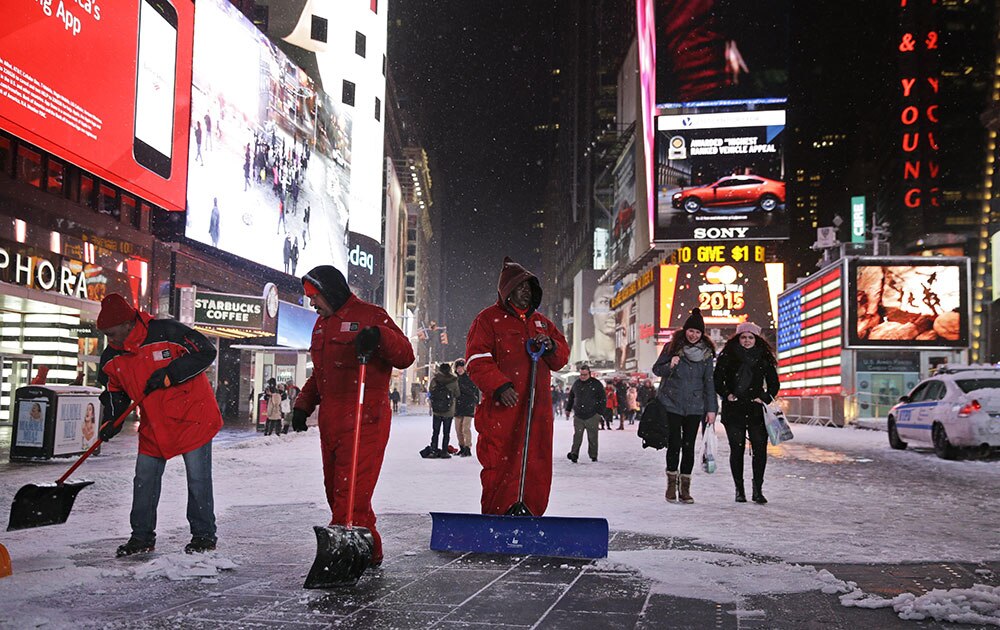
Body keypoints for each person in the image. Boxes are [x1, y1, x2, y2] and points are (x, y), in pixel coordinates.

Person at [290, 265, 414, 566]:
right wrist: (303, 405)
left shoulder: (371, 315)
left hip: (365, 418)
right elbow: (320, 376)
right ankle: (370, 550)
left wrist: (379, 337)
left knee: (351, 494)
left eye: (315, 296)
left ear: (330, 292)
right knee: (336, 492)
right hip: (331, 422)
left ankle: (345, 557)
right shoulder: (321, 325)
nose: (312, 303)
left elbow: (406, 355)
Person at [95, 293, 222, 556]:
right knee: (144, 480)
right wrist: (112, 420)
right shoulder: (111, 358)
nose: (111, 340)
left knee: (198, 480)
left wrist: (169, 374)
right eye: (106, 334)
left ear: (129, 323)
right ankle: (141, 537)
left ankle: (203, 536)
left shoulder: (168, 332)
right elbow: (115, 391)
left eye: (113, 333)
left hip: (192, 417)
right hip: (154, 424)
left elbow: (206, 351)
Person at [465, 257, 569, 516]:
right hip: (503, 408)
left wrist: (552, 346)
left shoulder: (542, 323)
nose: (527, 293)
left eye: (530, 288)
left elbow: (561, 358)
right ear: (507, 291)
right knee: (499, 459)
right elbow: (477, 359)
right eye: (521, 288)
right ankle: (499, 512)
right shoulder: (488, 320)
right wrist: (499, 386)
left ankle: (531, 511)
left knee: (537, 461)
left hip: (538, 409)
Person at [651, 309, 718, 504]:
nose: (694, 335)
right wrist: (670, 364)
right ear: (685, 330)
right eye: (691, 331)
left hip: (695, 406)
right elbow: (657, 369)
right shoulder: (671, 347)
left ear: (702, 334)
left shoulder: (706, 354)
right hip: (671, 403)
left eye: (698, 332)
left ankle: (685, 488)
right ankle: (671, 484)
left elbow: (709, 382)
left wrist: (712, 409)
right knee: (674, 444)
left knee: (689, 447)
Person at [713, 321, 779, 504]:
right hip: (734, 410)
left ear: (756, 339)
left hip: (756, 410)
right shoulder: (727, 355)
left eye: (751, 337)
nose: (747, 340)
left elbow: (774, 383)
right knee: (737, 448)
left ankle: (757, 490)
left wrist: (764, 397)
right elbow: (717, 380)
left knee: (760, 449)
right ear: (738, 338)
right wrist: (727, 395)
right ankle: (739, 490)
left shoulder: (764, 357)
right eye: (743, 337)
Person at [565, 365, 606, 463]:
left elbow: (602, 398)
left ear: (589, 374)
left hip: (592, 415)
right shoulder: (576, 384)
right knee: (577, 436)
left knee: (592, 437)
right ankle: (574, 454)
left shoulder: (596, 384)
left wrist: (599, 412)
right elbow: (571, 397)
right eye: (581, 375)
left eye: (584, 375)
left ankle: (593, 455)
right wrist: (568, 409)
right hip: (579, 414)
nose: (582, 377)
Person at [428, 362, 460, 459]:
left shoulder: (435, 379)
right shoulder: (453, 381)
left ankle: (433, 450)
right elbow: (457, 393)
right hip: (448, 410)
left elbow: (430, 391)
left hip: (437, 410)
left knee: (435, 431)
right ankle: (444, 451)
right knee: (446, 432)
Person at [580, 282, 615, 363]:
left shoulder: (626, 354)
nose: (611, 311)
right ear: (592, 307)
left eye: (617, 301)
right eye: (604, 302)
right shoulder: (579, 350)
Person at [453, 359, 480, 457]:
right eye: (458, 367)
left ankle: (468, 448)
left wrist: (475, 402)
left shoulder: (470, 378)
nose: (459, 369)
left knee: (465, 428)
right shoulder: (455, 379)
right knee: (458, 429)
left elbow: (473, 391)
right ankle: (462, 447)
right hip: (458, 407)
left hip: (468, 406)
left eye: (461, 367)